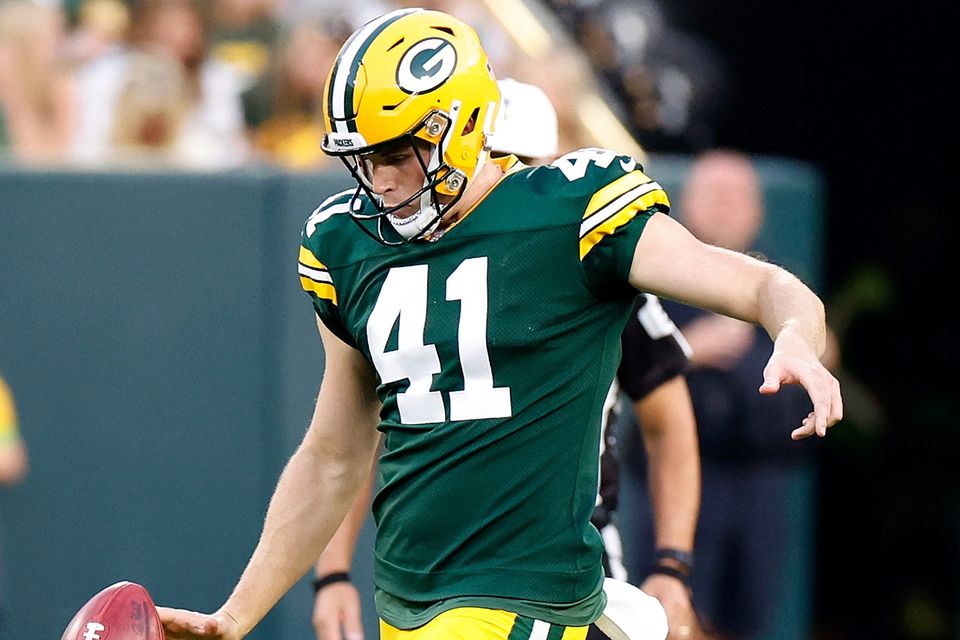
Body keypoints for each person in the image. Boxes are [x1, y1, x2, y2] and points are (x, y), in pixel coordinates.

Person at [157, 8, 841, 640]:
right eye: (364, 159)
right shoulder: (345, 242)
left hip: (529, 595)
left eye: (398, 153)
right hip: (408, 598)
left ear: (465, 125)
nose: (381, 180)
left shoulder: (573, 212)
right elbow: (334, 453)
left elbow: (764, 285)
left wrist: (794, 338)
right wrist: (235, 614)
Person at [309, 77, 702, 640]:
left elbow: (669, 423)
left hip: (560, 558)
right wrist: (332, 570)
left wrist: (673, 561)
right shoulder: (406, 268)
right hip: (441, 572)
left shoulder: (594, 255)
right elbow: (357, 437)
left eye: (515, 161)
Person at [621, 149, 834, 640]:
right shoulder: (649, 271)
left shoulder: (780, 275)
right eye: (715, 195)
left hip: (763, 474)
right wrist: (691, 349)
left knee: (752, 617)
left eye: (738, 197)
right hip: (677, 474)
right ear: (686, 201)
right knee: (673, 617)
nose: (727, 208)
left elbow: (800, 313)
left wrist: (801, 340)